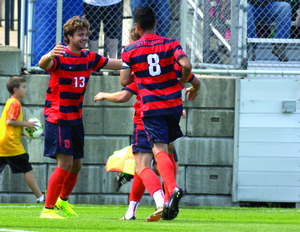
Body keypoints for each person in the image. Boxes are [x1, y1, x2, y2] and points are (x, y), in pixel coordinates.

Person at [38, 16, 122, 219]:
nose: (85, 38)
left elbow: (116, 63)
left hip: (75, 118)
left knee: (76, 165)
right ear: (68, 37)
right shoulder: (59, 56)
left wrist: (137, 63)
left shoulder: (88, 57)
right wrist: (49, 54)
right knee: (65, 163)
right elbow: (42, 64)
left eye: (86, 34)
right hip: (58, 117)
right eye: (80, 35)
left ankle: (62, 202)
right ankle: (47, 210)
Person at [120, 6, 192, 221]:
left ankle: (171, 191)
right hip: (174, 106)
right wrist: (183, 81)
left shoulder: (130, 50)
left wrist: (137, 76)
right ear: (156, 23)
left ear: (137, 26)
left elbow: (124, 82)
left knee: (156, 152)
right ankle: (163, 199)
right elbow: (186, 65)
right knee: (168, 151)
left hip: (152, 108)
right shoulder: (171, 44)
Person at [0, 76, 45, 204]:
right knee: (27, 168)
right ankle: (40, 197)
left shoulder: (10, 101)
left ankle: (40, 196)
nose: (27, 89)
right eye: (24, 87)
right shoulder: (15, 103)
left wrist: (22, 130)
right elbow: (10, 121)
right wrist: (27, 124)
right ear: (15, 89)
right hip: (11, 144)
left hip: (3, 143)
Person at [84, 0, 122, 75]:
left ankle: (113, 64)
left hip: (113, 2)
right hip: (91, 2)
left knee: (112, 32)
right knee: (92, 33)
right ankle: (94, 64)